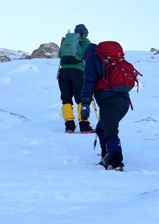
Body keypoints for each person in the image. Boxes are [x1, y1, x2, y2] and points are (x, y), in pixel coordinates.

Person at [81, 41, 133, 171]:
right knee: (101, 128)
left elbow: (89, 82)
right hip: (124, 102)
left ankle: (116, 163)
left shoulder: (92, 59)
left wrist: (85, 104)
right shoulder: (111, 60)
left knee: (110, 131)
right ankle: (107, 157)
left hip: (109, 101)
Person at [57, 24, 93, 133]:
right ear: (84, 32)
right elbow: (90, 54)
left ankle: (69, 126)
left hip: (63, 71)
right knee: (80, 98)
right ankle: (84, 125)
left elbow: (60, 54)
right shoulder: (84, 41)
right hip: (77, 71)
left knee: (66, 99)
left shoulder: (65, 40)